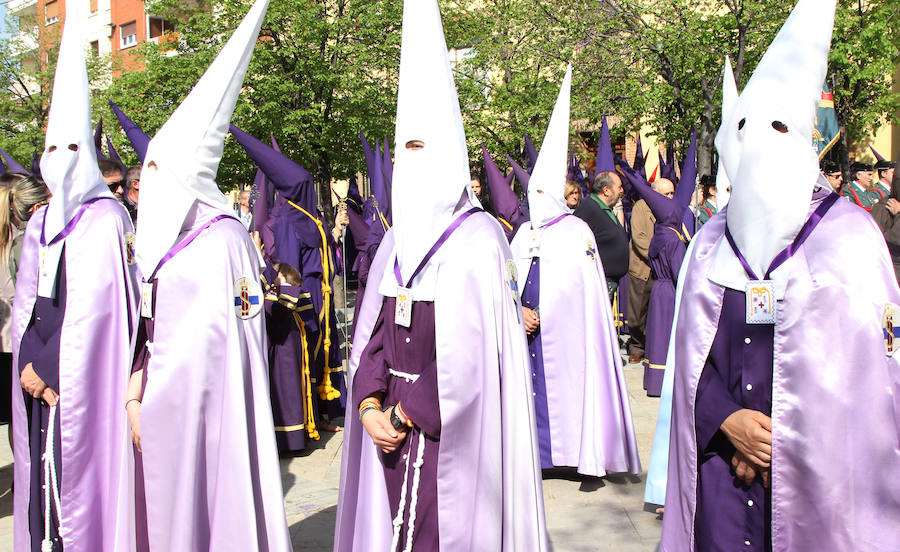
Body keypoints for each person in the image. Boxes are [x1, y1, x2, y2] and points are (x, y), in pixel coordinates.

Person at [662, 2, 900, 549]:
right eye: (743, 128)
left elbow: (872, 387)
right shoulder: (708, 245)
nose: (757, 144)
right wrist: (729, 423)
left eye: (776, 127)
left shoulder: (850, 241)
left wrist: (779, 446)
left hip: (819, 493)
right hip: (720, 477)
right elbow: (690, 363)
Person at [333, 0, 547, 548]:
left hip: (446, 440)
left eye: (422, 148)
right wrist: (367, 403)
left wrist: (403, 414)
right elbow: (375, 337)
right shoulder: (397, 245)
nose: (411, 164)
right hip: (388, 426)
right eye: (404, 152)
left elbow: (469, 360)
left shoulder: (478, 240)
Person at [125, 1, 292, 549]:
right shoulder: (165, 246)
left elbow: (240, 336)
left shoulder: (223, 240)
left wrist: (181, 398)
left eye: (158, 174)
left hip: (207, 416)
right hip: (158, 408)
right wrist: (137, 396)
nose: (148, 189)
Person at [11, 10, 140, 550]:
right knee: (40, 486)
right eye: (49, 150)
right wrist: (25, 361)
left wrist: (47, 366)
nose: (57, 162)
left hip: (72, 376)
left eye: (70, 150)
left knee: (72, 481)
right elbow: (28, 303)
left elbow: (99, 310)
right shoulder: (41, 220)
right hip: (38, 372)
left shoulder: (105, 218)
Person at [509, 65, 641, 478]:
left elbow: (584, 293)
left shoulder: (576, 230)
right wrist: (518, 311)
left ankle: (569, 455)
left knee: (563, 389)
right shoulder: (522, 232)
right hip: (524, 329)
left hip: (562, 335)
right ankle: (533, 454)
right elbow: (507, 279)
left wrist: (549, 314)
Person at [0, 173, 48, 433]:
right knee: (19, 416)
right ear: (37, 208)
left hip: (10, 340)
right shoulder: (23, 243)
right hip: (15, 342)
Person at [574, 170, 629, 300]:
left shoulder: (605, 209)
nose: (622, 191)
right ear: (606, 190)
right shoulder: (589, 209)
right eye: (619, 187)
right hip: (597, 285)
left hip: (608, 284)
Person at [626, 190, 656, 364]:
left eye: (671, 193)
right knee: (637, 313)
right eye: (665, 193)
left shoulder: (670, 208)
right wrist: (657, 255)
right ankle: (637, 346)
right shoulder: (641, 207)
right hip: (642, 267)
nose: (669, 196)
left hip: (662, 271)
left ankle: (652, 346)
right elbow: (639, 238)